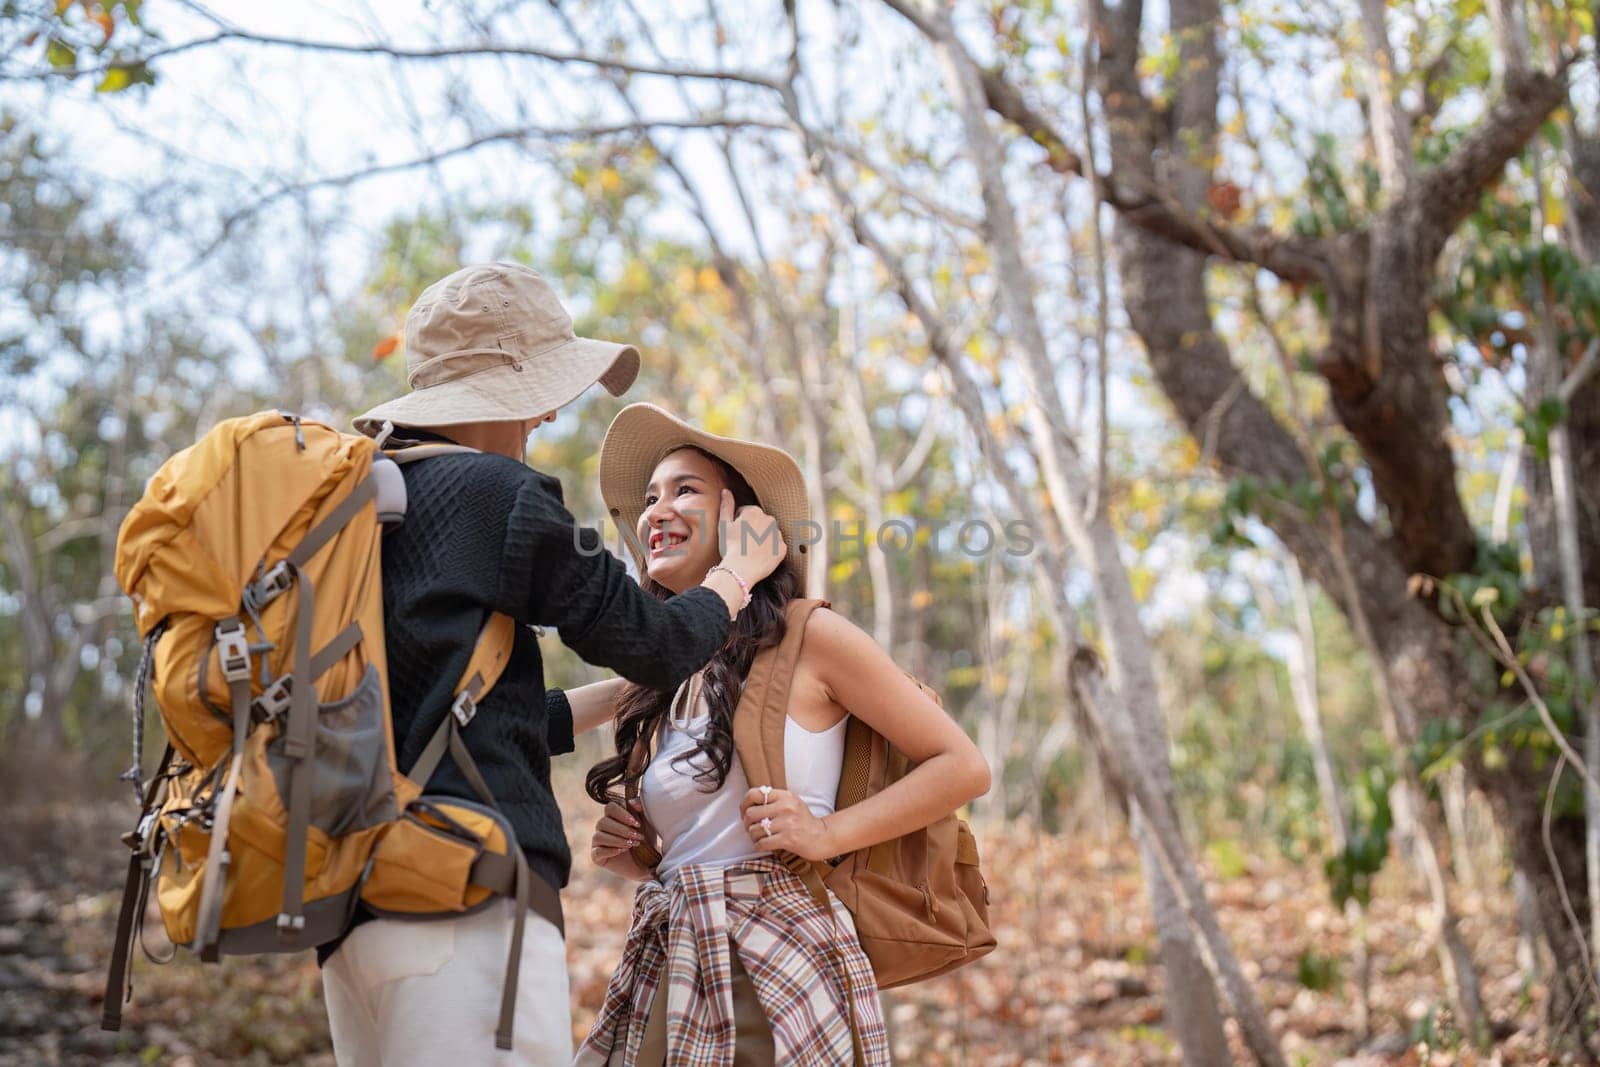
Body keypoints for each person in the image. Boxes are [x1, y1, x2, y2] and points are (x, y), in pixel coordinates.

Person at [321, 265, 786, 1066]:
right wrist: (734, 579)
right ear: (521, 392)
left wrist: (613, 699)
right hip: (466, 897)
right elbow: (659, 640)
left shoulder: (360, 500)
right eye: (546, 394)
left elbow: (458, 715)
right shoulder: (501, 493)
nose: (546, 413)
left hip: (349, 913)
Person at [560, 403, 991, 1067]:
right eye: (649, 498)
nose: (655, 511)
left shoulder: (808, 637)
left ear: (744, 522)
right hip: (672, 961)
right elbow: (547, 717)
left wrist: (826, 834)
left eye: (684, 490)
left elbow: (962, 764)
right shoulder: (667, 677)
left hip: (776, 962)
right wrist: (644, 858)